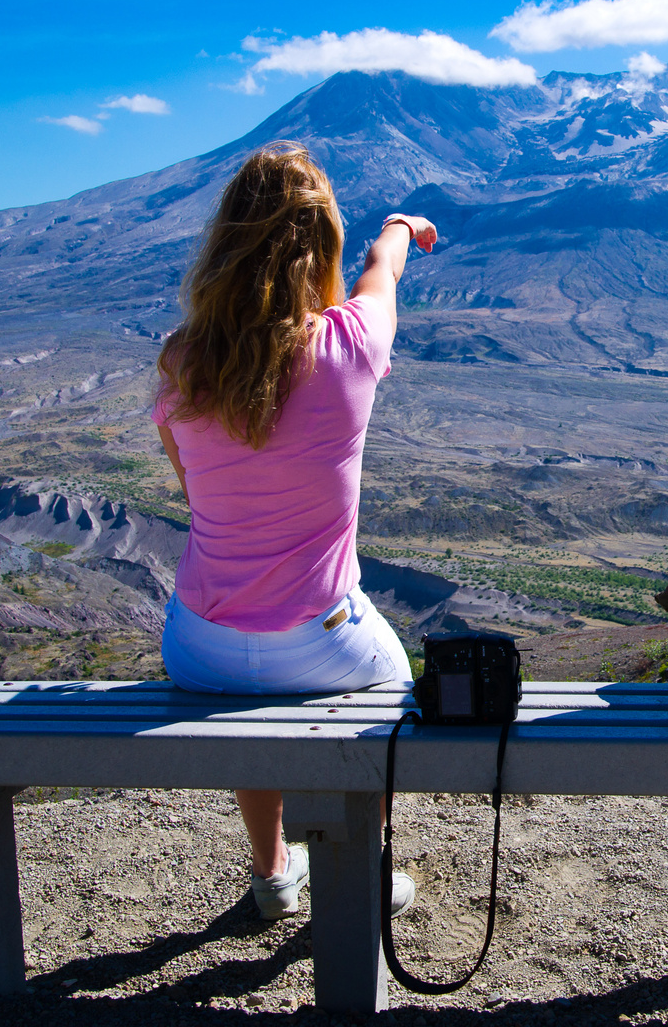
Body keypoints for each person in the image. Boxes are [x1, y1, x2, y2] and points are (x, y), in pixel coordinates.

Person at [152, 141, 438, 920]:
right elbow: (384, 272)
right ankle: (367, 868)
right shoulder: (349, 345)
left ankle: (274, 871)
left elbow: (195, 491)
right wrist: (402, 228)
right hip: (323, 641)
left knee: (246, 687)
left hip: (199, 642)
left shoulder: (182, 361)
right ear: (323, 245)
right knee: (393, 679)